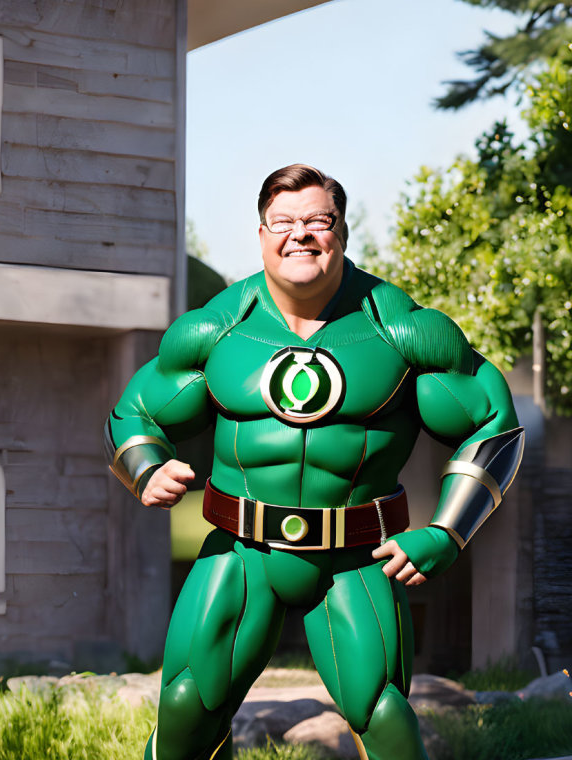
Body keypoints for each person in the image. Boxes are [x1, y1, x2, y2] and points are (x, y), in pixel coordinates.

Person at [104, 164, 524, 760]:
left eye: (317, 221)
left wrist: (449, 532)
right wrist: (145, 466)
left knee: (384, 716)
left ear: (342, 231)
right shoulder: (214, 328)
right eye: (284, 221)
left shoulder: (402, 329)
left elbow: (495, 423)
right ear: (262, 234)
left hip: (355, 559)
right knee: (184, 707)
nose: (300, 234)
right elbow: (132, 412)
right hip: (241, 552)